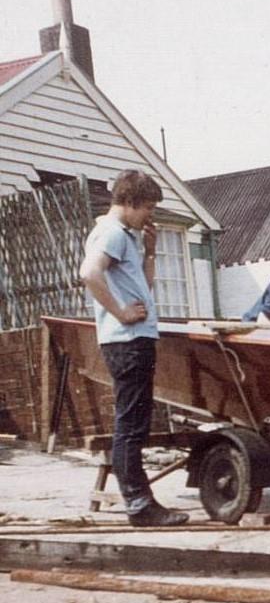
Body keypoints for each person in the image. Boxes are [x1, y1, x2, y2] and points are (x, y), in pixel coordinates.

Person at [79, 170, 188, 528]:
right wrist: (121, 312)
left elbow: (142, 289)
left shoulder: (125, 235)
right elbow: (88, 273)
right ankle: (140, 505)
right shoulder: (111, 232)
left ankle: (139, 501)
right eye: (147, 207)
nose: (150, 215)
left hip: (133, 340)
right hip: (127, 342)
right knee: (131, 427)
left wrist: (150, 253)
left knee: (134, 424)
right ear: (127, 203)